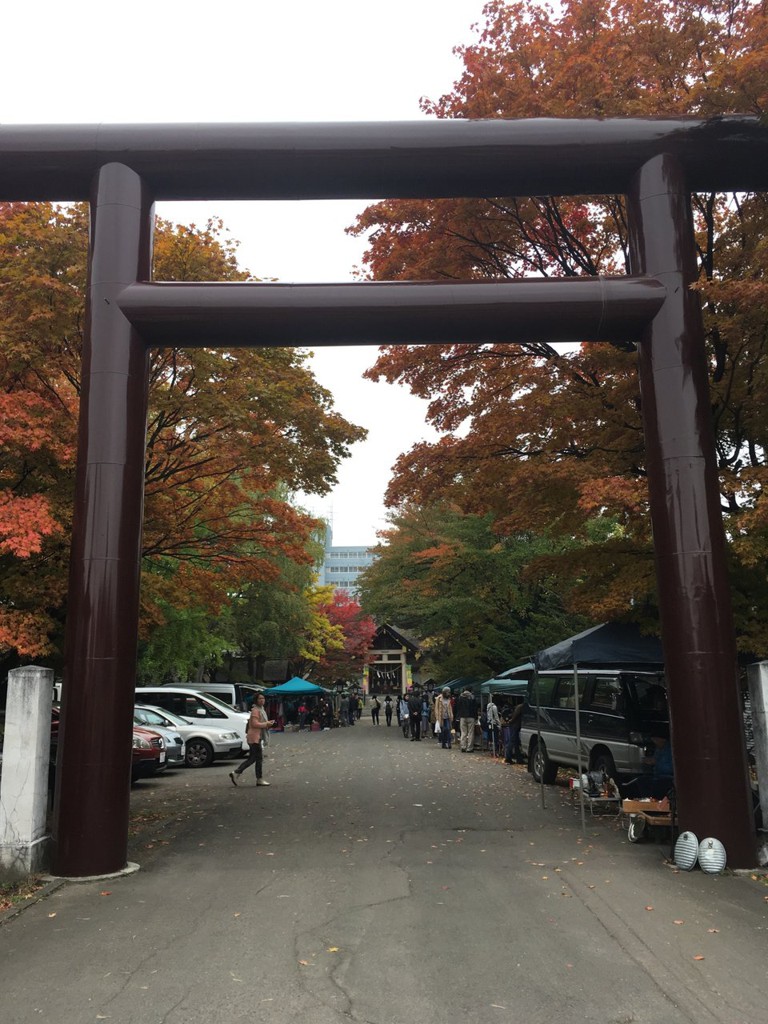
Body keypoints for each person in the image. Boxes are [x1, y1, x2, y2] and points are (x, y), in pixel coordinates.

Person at [230, 692, 275, 786]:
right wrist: (266, 724)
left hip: (256, 737)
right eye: (260, 698)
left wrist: (267, 723)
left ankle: (237, 773)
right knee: (257, 758)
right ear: (256, 700)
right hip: (254, 737)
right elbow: (254, 724)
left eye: (263, 698)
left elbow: (259, 722)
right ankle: (256, 778)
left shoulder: (261, 709)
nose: (262, 700)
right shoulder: (256, 710)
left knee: (254, 758)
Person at [456, 687, 479, 752]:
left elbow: (458, 707)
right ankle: (469, 748)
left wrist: (458, 716)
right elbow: (475, 708)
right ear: (470, 691)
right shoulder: (472, 697)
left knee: (463, 732)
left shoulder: (460, 697)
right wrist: (476, 717)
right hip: (471, 716)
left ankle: (463, 746)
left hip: (462, 717)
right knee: (471, 733)